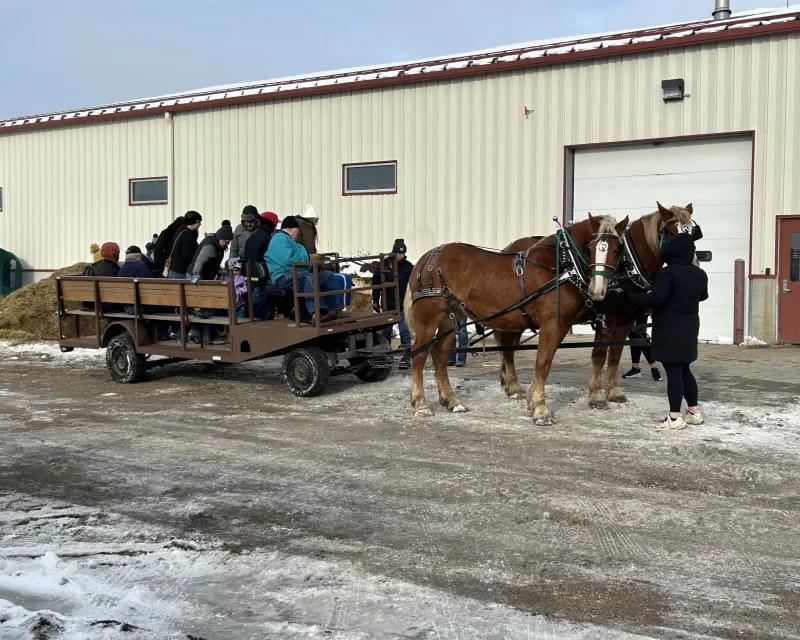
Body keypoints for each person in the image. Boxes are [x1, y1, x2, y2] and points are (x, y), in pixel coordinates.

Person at [627, 233, 709, 430]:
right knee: (685, 370)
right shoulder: (700, 273)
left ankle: (674, 417)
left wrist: (631, 297)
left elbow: (657, 300)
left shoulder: (668, 272)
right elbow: (703, 296)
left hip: (669, 327)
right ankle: (694, 411)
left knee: (673, 372)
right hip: (690, 326)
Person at [266, 215, 341, 321]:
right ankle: (317, 313)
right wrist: (310, 258)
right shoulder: (279, 239)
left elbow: (303, 257)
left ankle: (334, 309)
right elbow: (288, 259)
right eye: (298, 230)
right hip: (284, 275)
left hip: (298, 273)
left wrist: (317, 262)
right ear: (292, 229)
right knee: (308, 278)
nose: (299, 233)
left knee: (327, 276)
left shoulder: (294, 243)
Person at [186, 225, 234, 344]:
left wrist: (218, 271)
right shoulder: (210, 246)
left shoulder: (217, 246)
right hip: (197, 279)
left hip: (205, 279)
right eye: (226, 241)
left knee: (204, 308)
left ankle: (197, 332)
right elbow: (200, 261)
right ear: (221, 238)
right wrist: (196, 275)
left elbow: (214, 262)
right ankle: (206, 336)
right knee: (206, 307)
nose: (227, 244)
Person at [371, 239, 414, 368]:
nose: (400, 255)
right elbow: (376, 284)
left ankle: (405, 359)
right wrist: (375, 300)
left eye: (402, 253)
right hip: (387, 305)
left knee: (404, 333)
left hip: (402, 306)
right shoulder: (383, 265)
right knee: (386, 333)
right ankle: (386, 357)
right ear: (393, 252)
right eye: (397, 253)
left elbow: (412, 286)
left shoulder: (408, 267)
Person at [243, 211, 279, 320]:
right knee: (260, 310)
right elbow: (270, 258)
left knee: (253, 306)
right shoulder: (267, 238)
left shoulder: (252, 236)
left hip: (251, 277)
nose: (276, 227)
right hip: (261, 279)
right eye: (275, 224)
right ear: (271, 224)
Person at [621, 312, 662, 381]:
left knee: (639, 335)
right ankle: (635, 368)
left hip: (639, 306)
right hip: (635, 306)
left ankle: (654, 367)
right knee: (634, 335)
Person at [166, 210, 203, 279]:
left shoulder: (181, 231)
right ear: (194, 222)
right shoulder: (188, 235)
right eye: (199, 222)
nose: (200, 224)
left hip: (174, 269)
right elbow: (187, 254)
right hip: (181, 271)